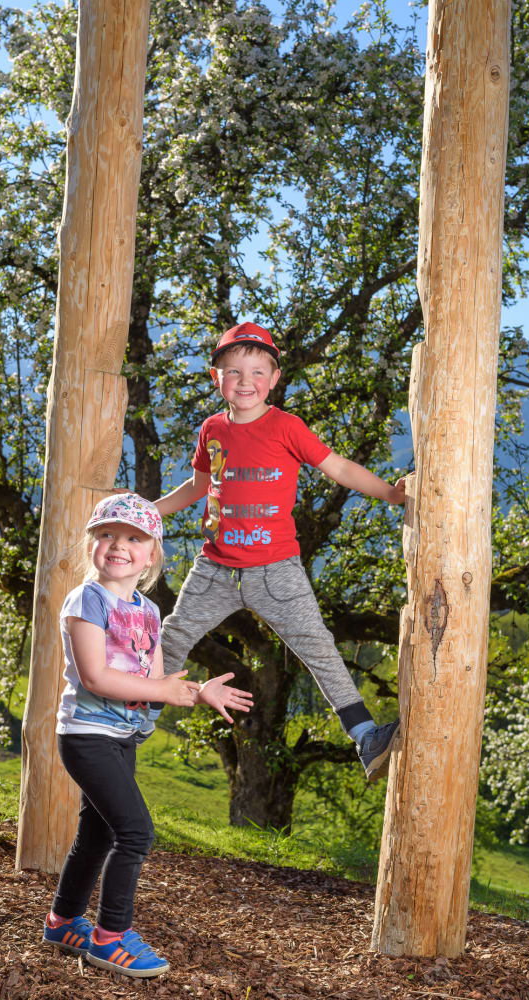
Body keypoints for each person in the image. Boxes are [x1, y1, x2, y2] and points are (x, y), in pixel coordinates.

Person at [154, 322, 406, 782]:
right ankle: (134, 718)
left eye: (256, 372)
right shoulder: (212, 429)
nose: (244, 381)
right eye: (233, 371)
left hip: (276, 570)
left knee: (317, 646)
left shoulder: (287, 427)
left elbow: (339, 467)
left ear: (273, 379)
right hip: (215, 568)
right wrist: (145, 511)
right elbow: (197, 486)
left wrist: (392, 493)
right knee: (172, 637)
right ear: (216, 378)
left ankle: (365, 736)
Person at [42, 492, 252, 978]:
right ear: (91, 545)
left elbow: (155, 681)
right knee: (136, 832)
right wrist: (163, 690)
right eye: (108, 535)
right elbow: (95, 677)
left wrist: (198, 692)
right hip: (86, 735)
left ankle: (62, 921)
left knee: (98, 832)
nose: (119, 545)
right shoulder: (87, 600)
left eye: (134, 538)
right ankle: (110, 939)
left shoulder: (150, 611)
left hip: (121, 737)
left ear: (152, 553)